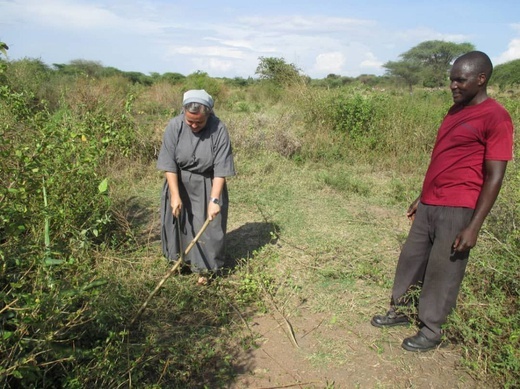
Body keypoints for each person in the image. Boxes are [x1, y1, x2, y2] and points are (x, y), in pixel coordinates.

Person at [371, 51, 514, 352]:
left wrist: (474, 226)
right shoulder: (455, 111)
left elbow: (495, 177)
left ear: (481, 79)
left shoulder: (495, 116)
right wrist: (422, 196)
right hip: (431, 203)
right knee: (411, 258)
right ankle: (401, 309)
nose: (453, 86)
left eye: (460, 80)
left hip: (459, 206)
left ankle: (432, 329)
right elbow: (444, 159)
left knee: (443, 269)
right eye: (451, 80)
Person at [157, 89, 235, 285]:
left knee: (209, 226)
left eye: (199, 122)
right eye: (189, 121)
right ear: (183, 112)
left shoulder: (219, 129)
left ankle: (205, 270)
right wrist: (175, 195)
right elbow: (168, 164)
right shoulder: (174, 126)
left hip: (208, 183)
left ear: (208, 114)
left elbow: (221, 168)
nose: (193, 125)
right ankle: (179, 261)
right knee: (179, 221)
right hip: (178, 182)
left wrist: (214, 200)